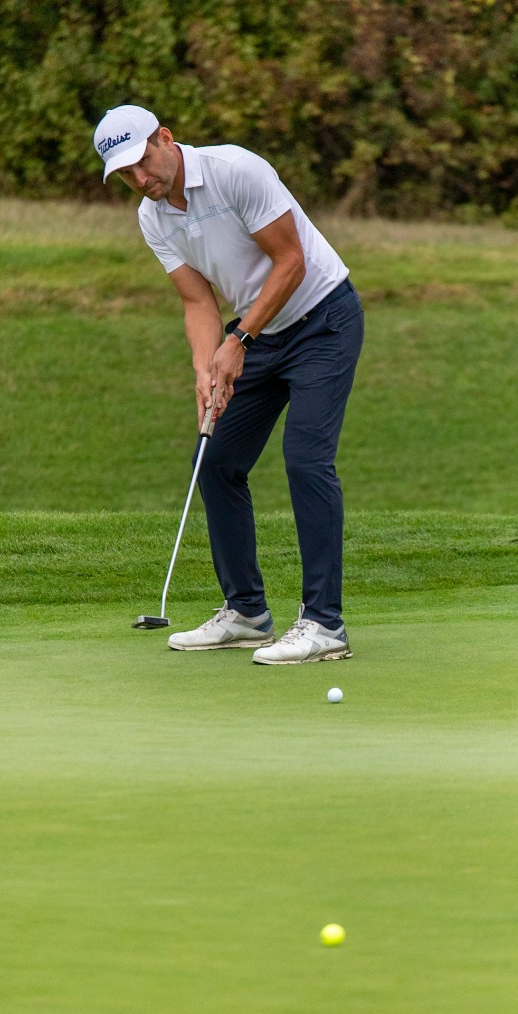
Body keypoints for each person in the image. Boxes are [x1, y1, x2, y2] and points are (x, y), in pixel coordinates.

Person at [93, 105, 364, 664]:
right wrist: (205, 368)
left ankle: (324, 625)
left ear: (165, 138)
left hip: (322, 320)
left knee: (306, 461)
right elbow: (197, 301)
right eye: (125, 174)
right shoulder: (152, 217)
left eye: (143, 161)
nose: (140, 179)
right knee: (215, 460)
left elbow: (290, 262)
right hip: (256, 334)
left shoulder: (235, 170)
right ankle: (247, 613)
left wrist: (237, 341)